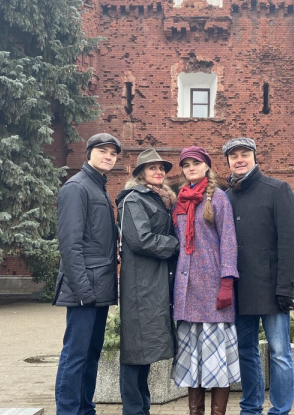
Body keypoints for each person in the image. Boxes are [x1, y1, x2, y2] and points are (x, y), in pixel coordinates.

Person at [222, 137, 294, 415]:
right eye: (234, 156)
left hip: (272, 287)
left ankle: (280, 410)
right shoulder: (226, 197)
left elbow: (290, 241)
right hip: (240, 289)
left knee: (280, 353)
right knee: (246, 351)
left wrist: (286, 286)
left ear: (255, 157)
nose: (239, 160)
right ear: (228, 162)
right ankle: (250, 407)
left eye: (244, 154)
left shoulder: (277, 189)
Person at [52, 133, 122, 415]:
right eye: (103, 151)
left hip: (99, 286)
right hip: (85, 288)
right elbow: (70, 244)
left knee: (91, 354)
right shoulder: (76, 187)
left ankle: (85, 409)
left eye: (113, 153)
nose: (108, 156)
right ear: (89, 153)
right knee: (75, 355)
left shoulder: (99, 187)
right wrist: (82, 291)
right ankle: (68, 411)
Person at [171, 146, 240, 415]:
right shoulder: (179, 201)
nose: (191, 168)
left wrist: (227, 282)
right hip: (187, 289)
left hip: (212, 287)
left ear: (206, 167)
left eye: (196, 163)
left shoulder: (218, 198)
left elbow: (229, 241)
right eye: (186, 164)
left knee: (216, 358)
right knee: (193, 358)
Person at [116, 148, 180, 415]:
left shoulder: (161, 199)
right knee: (135, 351)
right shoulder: (134, 199)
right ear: (141, 172)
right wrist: (176, 244)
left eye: (162, 168)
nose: (159, 171)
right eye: (152, 167)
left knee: (145, 351)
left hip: (155, 281)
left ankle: (142, 407)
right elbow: (140, 239)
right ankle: (133, 409)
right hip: (140, 284)